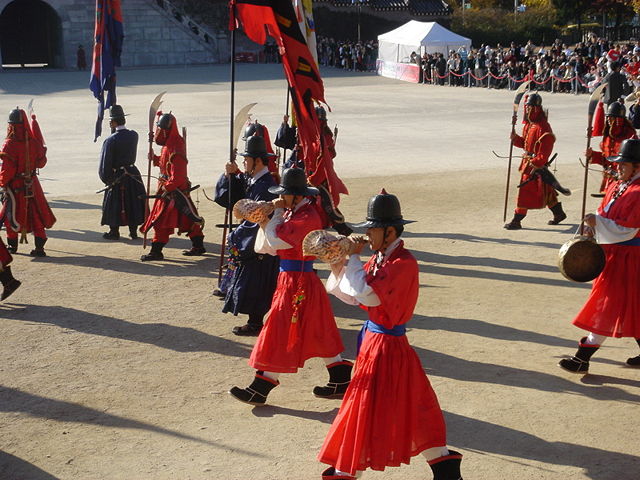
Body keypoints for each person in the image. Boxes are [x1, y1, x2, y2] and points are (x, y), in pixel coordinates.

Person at [318, 190, 463, 480]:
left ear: (390, 231)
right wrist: (338, 264)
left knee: (364, 406)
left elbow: (367, 295)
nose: (367, 235)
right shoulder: (382, 258)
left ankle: (346, 470)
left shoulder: (403, 263)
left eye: (372, 229)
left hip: (386, 344)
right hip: (377, 341)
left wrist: (354, 259)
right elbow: (351, 296)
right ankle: (446, 469)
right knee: (414, 405)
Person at [229, 168, 351, 406]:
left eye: (284, 194)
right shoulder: (293, 213)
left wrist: (269, 217)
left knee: (277, 329)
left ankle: (261, 386)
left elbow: (275, 242)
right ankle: (339, 377)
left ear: (295, 195)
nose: (280, 198)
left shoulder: (307, 217)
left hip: (297, 282)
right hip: (295, 280)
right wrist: (268, 218)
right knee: (317, 330)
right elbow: (266, 248)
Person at [559, 138, 640, 373]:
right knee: (631, 306)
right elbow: (602, 212)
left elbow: (630, 229)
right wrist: (592, 225)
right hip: (613, 254)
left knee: (608, 305)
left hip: (630, 258)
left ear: (637, 166)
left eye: (623, 165)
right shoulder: (617, 185)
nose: (618, 168)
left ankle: (582, 358)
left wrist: (600, 222)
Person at [214, 135, 280, 336]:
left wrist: (236, 235)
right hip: (252, 237)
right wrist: (230, 176)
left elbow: (256, 218)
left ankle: (255, 323)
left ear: (257, 161)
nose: (244, 162)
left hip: (260, 240)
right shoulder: (254, 180)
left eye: (246, 159)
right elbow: (234, 192)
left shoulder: (266, 187)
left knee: (257, 284)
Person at [140, 112, 205, 261]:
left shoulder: (176, 146)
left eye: (161, 130)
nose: (159, 133)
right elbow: (165, 164)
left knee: (161, 221)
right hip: (169, 188)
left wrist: (168, 187)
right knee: (187, 220)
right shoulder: (168, 144)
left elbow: (179, 174)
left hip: (174, 192)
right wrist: (155, 159)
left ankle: (156, 251)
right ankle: (198, 245)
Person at [505, 93, 567, 229]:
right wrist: (515, 138)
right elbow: (526, 145)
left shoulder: (544, 127)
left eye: (530, 107)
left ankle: (517, 220)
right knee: (547, 191)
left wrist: (536, 163)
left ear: (537, 108)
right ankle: (559, 213)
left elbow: (545, 151)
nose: (527, 110)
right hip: (527, 162)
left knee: (524, 192)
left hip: (534, 165)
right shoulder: (530, 125)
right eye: (527, 107)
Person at [0, 108, 56, 257]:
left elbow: (7, 170)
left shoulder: (9, 144)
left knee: (11, 214)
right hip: (32, 184)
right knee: (36, 215)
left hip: (15, 186)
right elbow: (41, 163)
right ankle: (39, 248)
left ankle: (12, 246)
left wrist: (2, 184)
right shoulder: (33, 141)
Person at [98, 105, 146, 240]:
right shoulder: (133, 135)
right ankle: (133, 231)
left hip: (118, 174)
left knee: (115, 202)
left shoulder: (110, 140)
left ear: (113, 122)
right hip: (132, 172)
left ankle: (114, 231)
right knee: (133, 201)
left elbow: (105, 162)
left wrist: (107, 178)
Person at [308, 106, 351, 236]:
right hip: (314, 171)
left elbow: (325, 158)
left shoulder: (324, 136)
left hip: (322, 173)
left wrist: (314, 178)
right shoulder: (316, 135)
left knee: (326, 202)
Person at [587, 101, 637, 197]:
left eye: (612, 118)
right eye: (608, 117)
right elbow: (605, 159)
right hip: (610, 180)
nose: (609, 120)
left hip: (626, 181)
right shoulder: (608, 136)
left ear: (618, 120)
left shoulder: (630, 137)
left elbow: (634, 164)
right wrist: (592, 155)